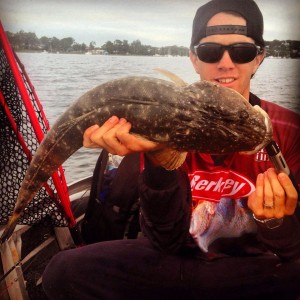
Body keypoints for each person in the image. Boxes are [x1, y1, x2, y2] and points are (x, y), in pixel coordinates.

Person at [43, 0, 300, 299]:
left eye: (242, 51)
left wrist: (275, 220)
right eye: (210, 51)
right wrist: (161, 157)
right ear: (193, 58)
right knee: (64, 272)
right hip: (175, 262)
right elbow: (165, 239)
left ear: (259, 59)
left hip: (248, 268)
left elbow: (293, 249)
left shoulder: (290, 130)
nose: (226, 63)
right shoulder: (158, 124)